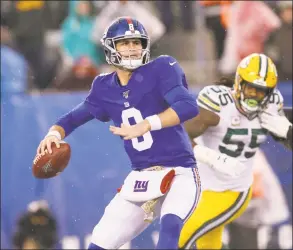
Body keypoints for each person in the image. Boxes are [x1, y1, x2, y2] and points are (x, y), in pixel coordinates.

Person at [36, 17, 201, 250]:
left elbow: (188, 106)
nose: (133, 47)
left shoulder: (162, 67)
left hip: (180, 172)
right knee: (99, 244)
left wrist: (148, 124)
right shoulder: (104, 87)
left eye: (137, 42)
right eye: (125, 43)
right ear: (110, 47)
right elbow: (74, 117)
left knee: (169, 231)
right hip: (142, 177)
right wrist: (54, 133)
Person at [178, 53, 292, 249]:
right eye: (251, 89)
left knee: (179, 235)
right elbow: (179, 136)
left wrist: (288, 132)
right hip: (202, 187)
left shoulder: (272, 106)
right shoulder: (219, 104)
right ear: (239, 84)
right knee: (208, 245)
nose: (255, 96)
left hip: (232, 191)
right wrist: (211, 157)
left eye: (261, 92)